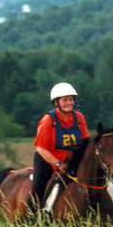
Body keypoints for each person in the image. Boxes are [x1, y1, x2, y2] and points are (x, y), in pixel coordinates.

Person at [29, 82, 90, 213]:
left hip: (72, 161)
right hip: (48, 161)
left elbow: (85, 142)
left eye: (71, 99)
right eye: (65, 100)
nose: (69, 103)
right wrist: (58, 164)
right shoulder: (48, 120)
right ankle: (33, 219)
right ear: (56, 102)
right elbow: (41, 148)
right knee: (38, 191)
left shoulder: (78, 117)